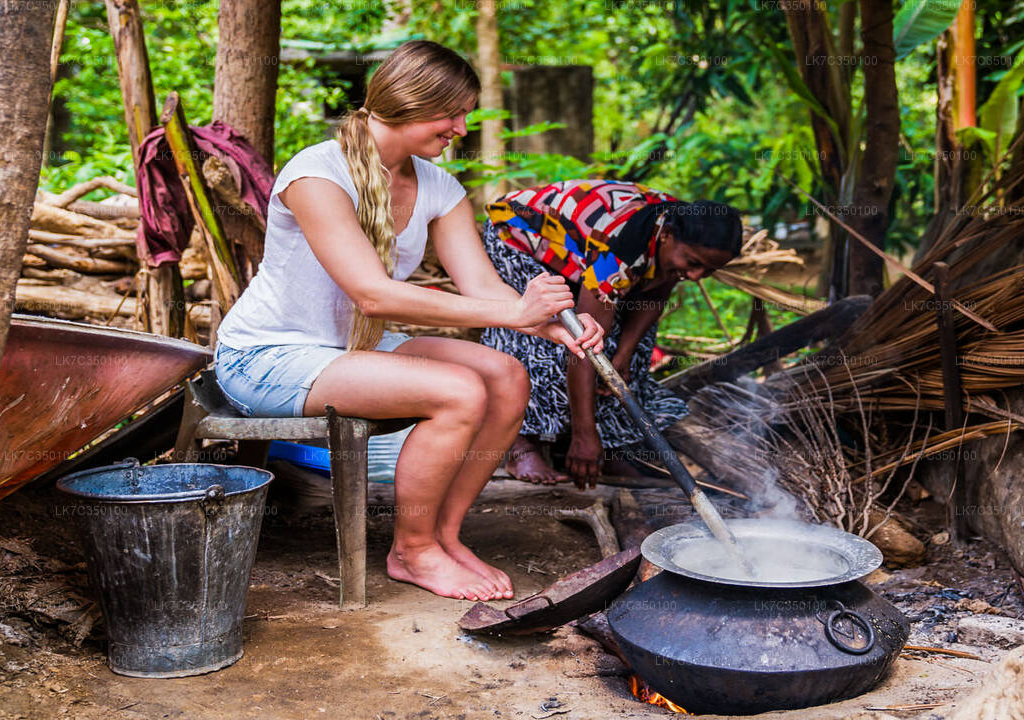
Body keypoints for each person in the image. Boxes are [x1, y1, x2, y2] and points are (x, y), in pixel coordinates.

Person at [213, 41, 603, 603]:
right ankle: (411, 552)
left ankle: (444, 537)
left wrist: (550, 324)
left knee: (507, 376)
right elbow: (373, 295)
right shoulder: (318, 173)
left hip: (355, 349)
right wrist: (515, 313)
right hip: (270, 356)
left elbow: (483, 290)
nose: (462, 128)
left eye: (467, 114)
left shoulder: (439, 188)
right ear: (407, 102)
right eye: (453, 113)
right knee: (458, 391)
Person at [480, 181, 742, 487]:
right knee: (550, 331)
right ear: (667, 236)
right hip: (519, 234)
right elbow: (585, 344)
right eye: (693, 264)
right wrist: (584, 434)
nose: (696, 277)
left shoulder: (682, 229)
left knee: (630, 347)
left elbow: (657, 292)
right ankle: (522, 442)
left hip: (588, 253)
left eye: (708, 271)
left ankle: (609, 442)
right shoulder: (621, 247)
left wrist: (624, 354)